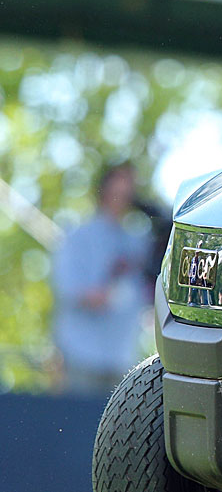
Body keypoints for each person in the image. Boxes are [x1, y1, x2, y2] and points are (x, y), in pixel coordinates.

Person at [50, 163, 153, 395]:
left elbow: (149, 294)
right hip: (81, 356)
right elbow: (69, 290)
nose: (124, 193)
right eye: (119, 185)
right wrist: (104, 294)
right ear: (104, 188)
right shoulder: (78, 236)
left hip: (122, 359)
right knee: (75, 426)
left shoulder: (138, 241)